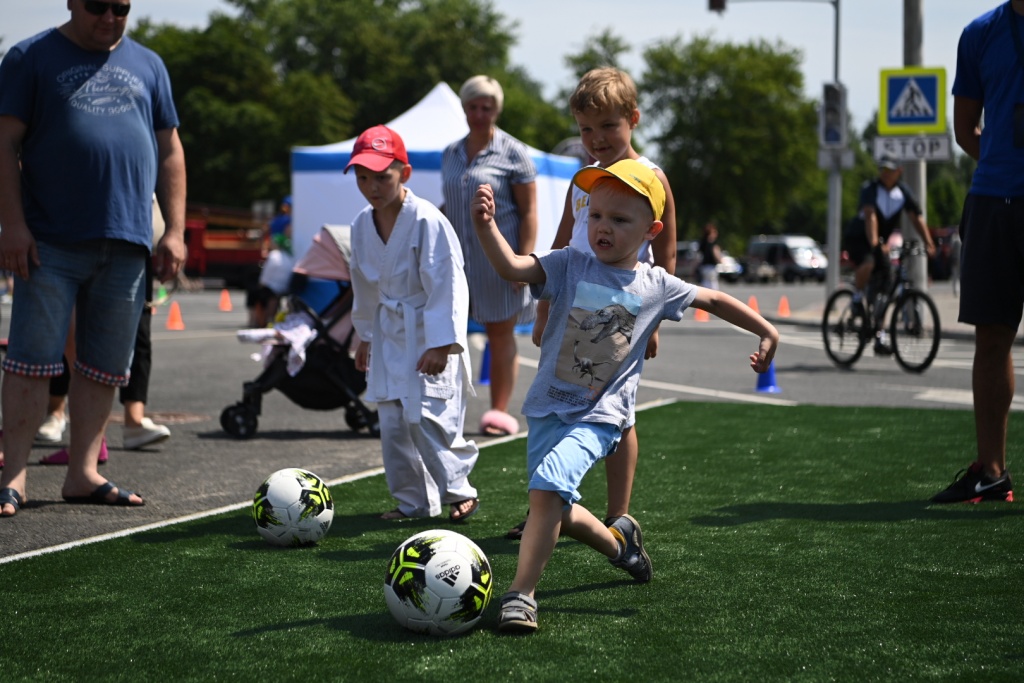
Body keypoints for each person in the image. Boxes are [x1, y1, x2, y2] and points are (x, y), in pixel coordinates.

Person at [471, 159, 778, 633]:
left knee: (549, 485)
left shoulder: (655, 285)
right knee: (554, 507)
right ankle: (622, 548)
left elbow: (713, 300)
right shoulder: (568, 264)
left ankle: (521, 595)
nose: (602, 228)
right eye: (595, 216)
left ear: (650, 230)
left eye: (619, 220)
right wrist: (486, 227)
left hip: (599, 416)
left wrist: (766, 330)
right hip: (546, 407)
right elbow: (511, 265)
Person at [0, 0, 187, 517]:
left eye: (121, 7)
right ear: (70, 2)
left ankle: (82, 473)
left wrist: (173, 230)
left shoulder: (149, 64)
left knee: (104, 366)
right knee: (30, 360)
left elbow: (169, 149)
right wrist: (11, 225)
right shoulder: (29, 56)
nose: (109, 17)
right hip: (51, 240)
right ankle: (12, 476)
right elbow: (4, 144)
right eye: (97, 6)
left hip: (127, 241)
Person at [513, 67, 678, 540]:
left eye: (608, 126)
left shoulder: (650, 176)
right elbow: (562, 243)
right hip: (569, 301)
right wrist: (543, 311)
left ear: (633, 119)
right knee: (558, 402)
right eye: (586, 129)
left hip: (618, 307)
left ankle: (618, 515)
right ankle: (549, 502)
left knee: (613, 412)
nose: (597, 139)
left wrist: (657, 318)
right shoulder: (583, 181)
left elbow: (665, 253)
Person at [347, 124, 480, 522]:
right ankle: (414, 501)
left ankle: (460, 490)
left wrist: (442, 344)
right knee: (391, 421)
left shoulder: (426, 220)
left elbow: (449, 283)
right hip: (388, 332)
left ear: (403, 173)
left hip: (426, 331)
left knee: (428, 416)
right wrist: (366, 336)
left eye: (382, 176)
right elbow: (364, 285)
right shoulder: (359, 225)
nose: (373, 186)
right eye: (363, 177)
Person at [931, 0, 1024, 504]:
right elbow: (966, 129)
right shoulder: (980, 33)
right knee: (992, 338)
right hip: (993, 200)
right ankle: (991, 470)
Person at [441, 75, 538, 437]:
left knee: (500, 334)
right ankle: (447, 411)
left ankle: (498, 412)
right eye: (473, 106)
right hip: (455, 259)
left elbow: (529, 212)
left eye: (488, 107)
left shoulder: (514, 152)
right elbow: (451, 202)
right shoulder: (449, 153)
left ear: (497, 110)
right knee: (448, 333)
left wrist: (522, 262)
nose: (480, 113)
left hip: (498, 257)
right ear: (464, 108)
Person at [843, 153, 935, 353]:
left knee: (885, 290)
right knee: (867, 263)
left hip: (879, 242)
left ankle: (879, 336)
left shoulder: (902, 192)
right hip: (859, 238)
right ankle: (857, 298)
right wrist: (876, 243)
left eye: (889, 170)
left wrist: (928, 242)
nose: (885, 173)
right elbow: (870, 217)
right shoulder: (870, 189)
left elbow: (916, 217)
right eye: (882, 169)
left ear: (899, 171)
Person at [698, 221, 723, 290]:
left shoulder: (702, 243)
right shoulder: (713, 244)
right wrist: (720, 260)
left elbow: (699, 256)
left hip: (704, 267)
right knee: (713, 284)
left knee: (705, 283)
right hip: (712, 267)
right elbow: (716, 254)